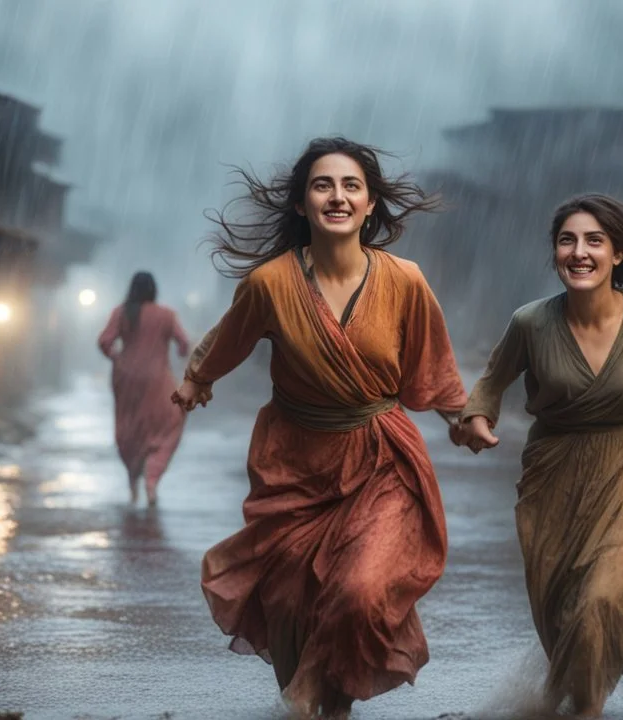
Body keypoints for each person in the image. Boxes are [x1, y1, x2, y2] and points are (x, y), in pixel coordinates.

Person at [172, 137, 467, 719]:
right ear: (302, 205)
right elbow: (227, 337)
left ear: (371, 202)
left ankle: (308, 690)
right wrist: (196, 379)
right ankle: (326, 705)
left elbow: (434, 366)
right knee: (289, 600)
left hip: (382, 458)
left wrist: (463, 418)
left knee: (359, 591)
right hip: (295, 461)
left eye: (351, 185)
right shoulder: (271, 284)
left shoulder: (405, 280)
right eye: (322, 185)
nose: (337, 196)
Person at [451, 193, 623, 718]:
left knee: (602, 598)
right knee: (562, 610)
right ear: (554, 254)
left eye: (594, 241)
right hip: (552, 479)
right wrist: (477, 421)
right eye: (567, 241)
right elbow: (490, 382)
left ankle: (588, 710)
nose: (579, 252)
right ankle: (579, 697)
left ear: (617, 254)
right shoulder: (530, 323)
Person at [98, 271, 190, 507]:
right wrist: (180, 355)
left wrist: (117, 357)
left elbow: (104, 341)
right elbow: (183, 344)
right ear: (153, 290)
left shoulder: (121, 313)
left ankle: (132, 482)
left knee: (130, 428)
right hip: (158, 380)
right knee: (171, 422)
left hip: (126, 379)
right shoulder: (166, 315)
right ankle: (151, 479)